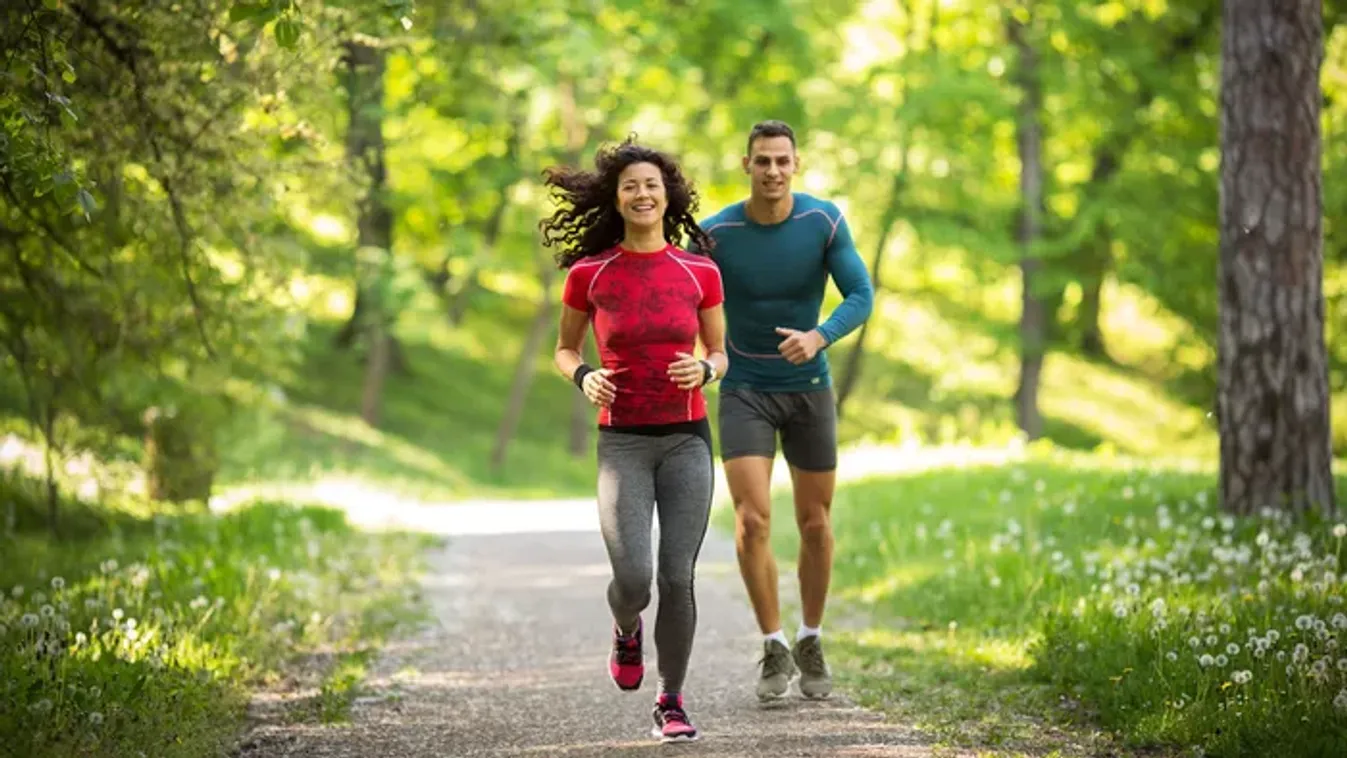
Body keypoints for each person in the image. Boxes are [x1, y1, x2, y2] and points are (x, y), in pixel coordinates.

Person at [544, 136, 727, 743]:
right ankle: (627, 629)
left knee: (677, 577)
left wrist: (706, 369)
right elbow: (565, 349)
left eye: (651, 184)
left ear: (667, 195)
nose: (642, 194)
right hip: (622, 442)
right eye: (630, 186)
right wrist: (583, 375)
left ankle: (670, 700)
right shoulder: (590, 274)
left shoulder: (699, 271)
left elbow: (719, 351)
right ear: (617, 199)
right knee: (633, 579)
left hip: (686, 440)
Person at [696, 119, 874, 703]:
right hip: (745, 388)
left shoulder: (823, 221)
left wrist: (820, 336)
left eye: (781, 160)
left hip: (809, 390)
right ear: (745, 165)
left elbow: (861, 295)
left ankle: (811, 638)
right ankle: (773, 643)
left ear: (796, 164)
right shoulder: (716, 233)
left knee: (815, 523)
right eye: (762, 160)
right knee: (751, 520)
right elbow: (684, 297)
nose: (772, 170)